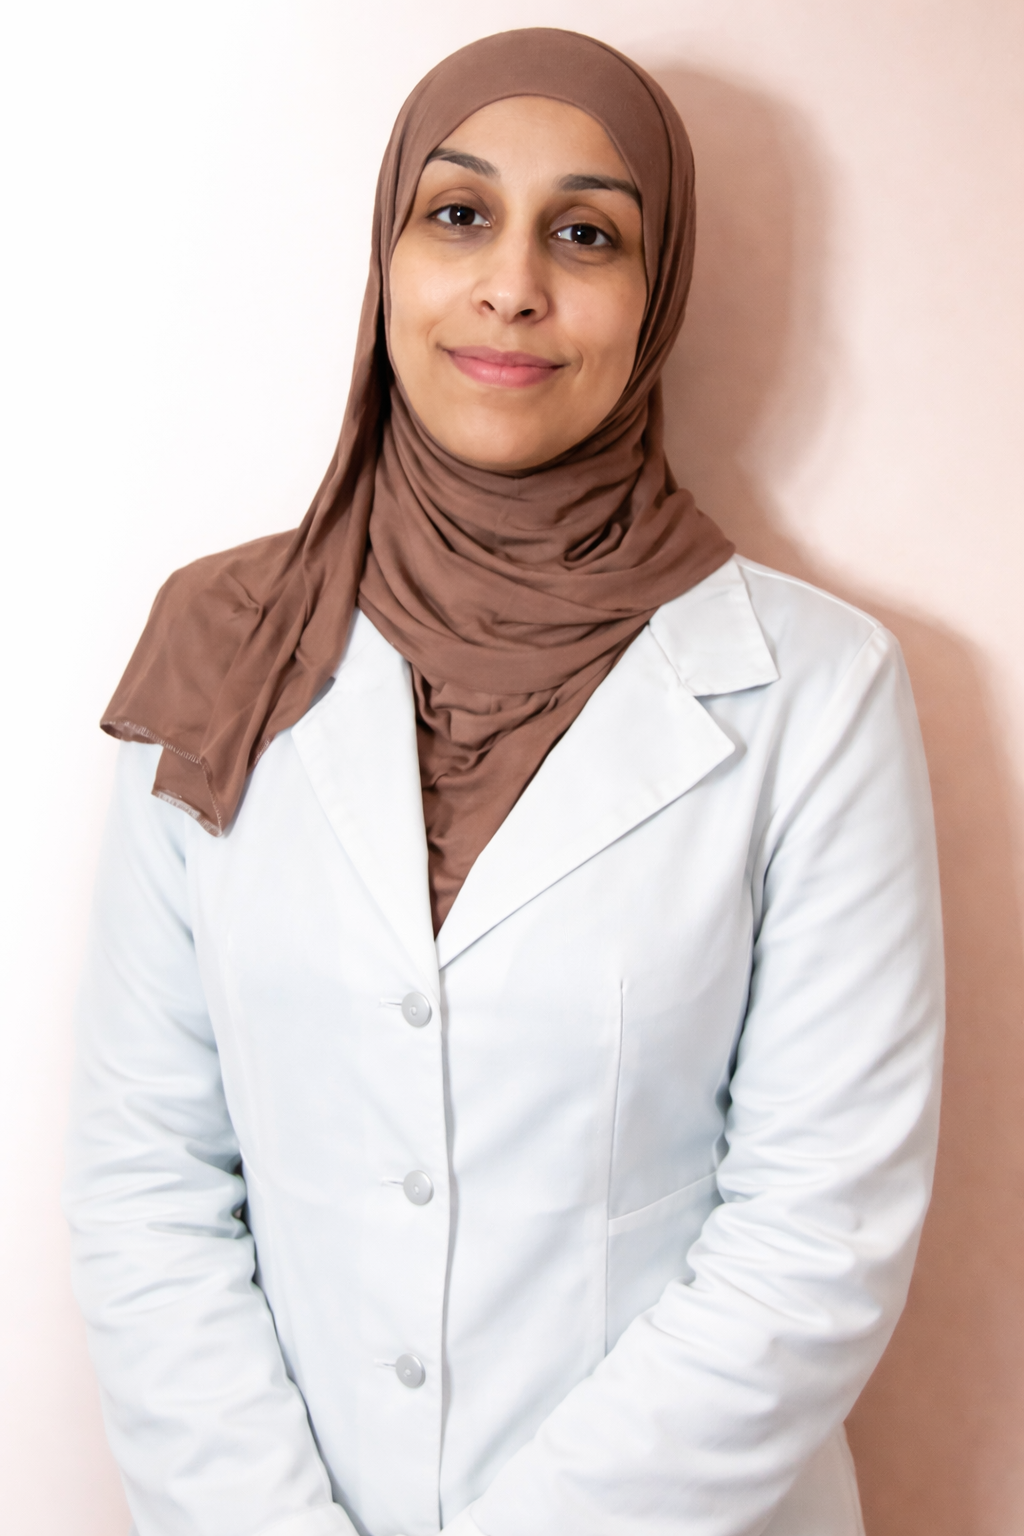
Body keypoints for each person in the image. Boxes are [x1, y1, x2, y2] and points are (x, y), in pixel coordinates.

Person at [64, 27, 944, 1536]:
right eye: (458, 214)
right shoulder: (220, 647)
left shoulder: (821, 688)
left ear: (653, 300)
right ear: (388, 254)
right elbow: (146, 1173)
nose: (512, 284)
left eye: (586, 233)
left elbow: (819, 1227)